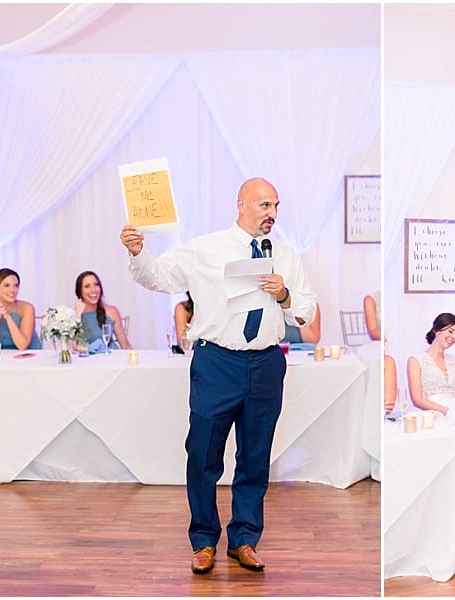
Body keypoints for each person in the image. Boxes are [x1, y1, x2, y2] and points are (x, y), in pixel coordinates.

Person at [121, 177, 316, 575]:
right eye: (264, 205)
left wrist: (284, 295)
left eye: (276, 206)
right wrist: (139, 253)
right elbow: (159, 277)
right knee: (203, 454)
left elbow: (306, 313)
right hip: (217, 363)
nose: (272, 214)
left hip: (266, 364)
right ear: (241, 204)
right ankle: (204, 540)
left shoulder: (286, 256)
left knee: (255, 457)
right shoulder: (206, 248)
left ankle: (244, 539)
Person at [407, 313, 455, 415]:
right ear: (437, 330)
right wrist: (447, 411)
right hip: (432, 415)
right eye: (450, 331)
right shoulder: (415, 361)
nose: (454, 337)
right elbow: (417, 400)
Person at [75, 270, 133, 350]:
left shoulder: (112, 311)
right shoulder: (72, 316)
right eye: (87, 286)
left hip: (111, 356)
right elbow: (73, 347)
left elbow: (125, 345)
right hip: (87, 358)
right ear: (80, 291)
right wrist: (77, 315)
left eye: (96, 285)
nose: (93, 290)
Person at [0, 268, 41, 350]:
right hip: (4, 355)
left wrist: (7, 317)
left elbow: (22, 346)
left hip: (29, 354)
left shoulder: (27, 308)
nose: (12, 290)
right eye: (7, 285)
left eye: (16, 285)